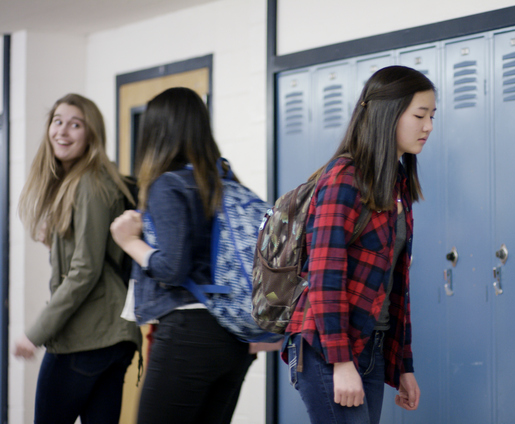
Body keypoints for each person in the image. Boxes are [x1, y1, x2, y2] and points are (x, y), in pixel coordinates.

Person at [283, 65, 435, 423]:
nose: (428, 126)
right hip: (328, 350)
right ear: (387, 113)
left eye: (432, 116)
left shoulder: (396, 183)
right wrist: (340, 361)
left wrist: (404, 367)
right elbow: (325, 277)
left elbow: (396, 286)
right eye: (419, 115)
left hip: (372, 347)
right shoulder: (344, 178)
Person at [109, 87, 256, 424]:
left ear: (156, 133)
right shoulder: (225, 181)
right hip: (232, 337)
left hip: (188, 334)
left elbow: (172, 268)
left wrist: (129, 241)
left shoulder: (167, 185)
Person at [14, 93, 143, 424]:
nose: (63, 131)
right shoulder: (84, 181)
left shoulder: (88, 182)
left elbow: (85, 270)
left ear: (91, 135)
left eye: (76, 124)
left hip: (86, 336)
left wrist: (37, 332)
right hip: (112, 335)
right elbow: (91, 256)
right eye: (58, 121)